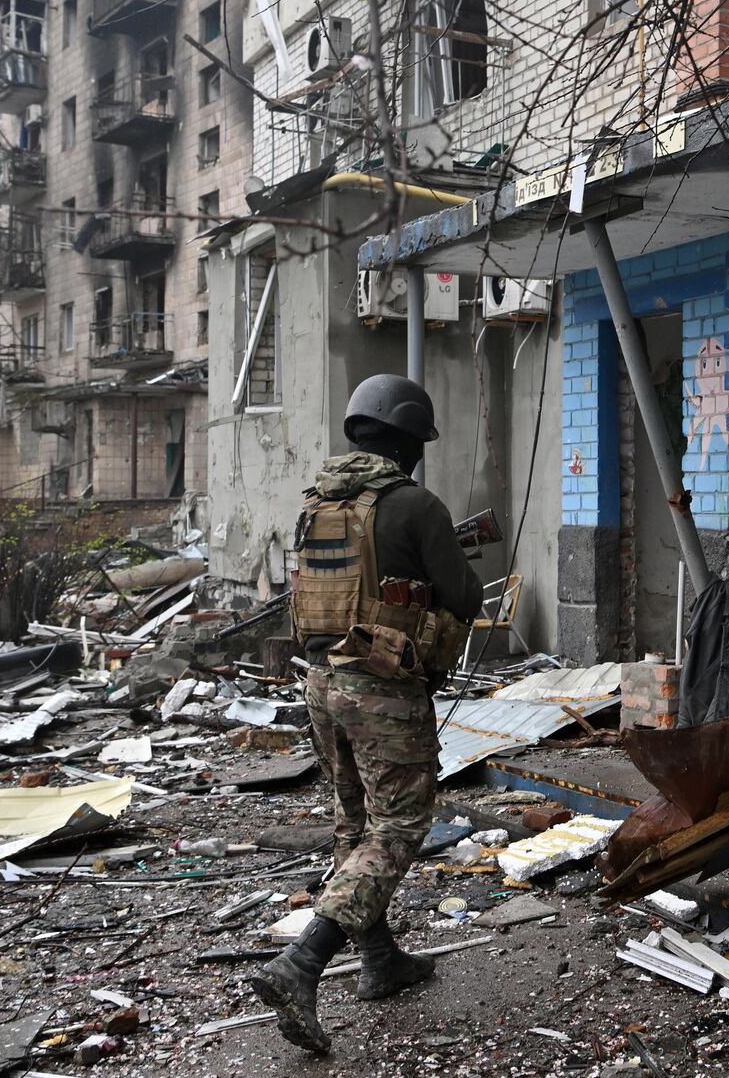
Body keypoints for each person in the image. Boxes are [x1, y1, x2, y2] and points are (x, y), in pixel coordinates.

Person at [249, 374, 481, 1053]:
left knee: (354, 826)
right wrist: (450, 554)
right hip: (381, 688)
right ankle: (303, 962)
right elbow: (463, 598)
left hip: (321, 684)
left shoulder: (317, 504)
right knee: (399, 825)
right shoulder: (415, 505)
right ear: (408, 441)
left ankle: (380, 960)